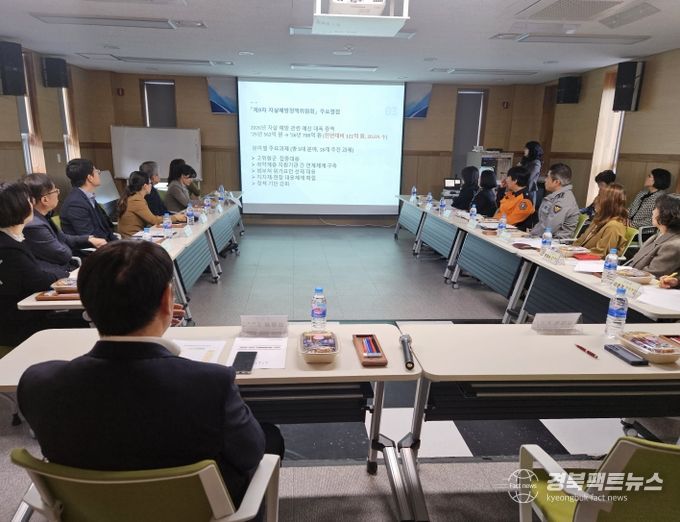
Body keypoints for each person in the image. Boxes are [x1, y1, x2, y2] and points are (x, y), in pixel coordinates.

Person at [17, 240, 284, 509]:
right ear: (168, 299)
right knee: (269, 437)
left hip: (92, 511)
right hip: (199, 511)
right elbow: (250, 453)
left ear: (86, 303)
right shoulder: (211, 384)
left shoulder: (38, 384)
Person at [0, 182, 87, 347]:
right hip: (19, 323)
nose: (32, 204)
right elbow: (38, 280)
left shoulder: (13, 239)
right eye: (28, 200)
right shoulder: (8, 248)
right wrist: (64, 275)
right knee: (87, 320)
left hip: (27, 313)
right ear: (18, 207)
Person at [22, 174, 107, 279]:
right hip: (52, 276)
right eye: (55, 191)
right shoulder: (34, 225)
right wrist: (64, 244)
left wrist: (89, 240)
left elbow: (63, 238)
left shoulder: (42, 217)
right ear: (45, 200)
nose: (58, 193)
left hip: (63, 269)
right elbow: (62, 255)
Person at [59, 158, 116, 242]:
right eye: (96, 171)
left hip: (105, 244)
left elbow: (106, 227)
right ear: (90, 178)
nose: (99, 173)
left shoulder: (87, 197)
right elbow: (90, 236)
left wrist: (118, 243)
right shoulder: (75, 203)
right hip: (90, 248)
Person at [117, 171, 186, 238]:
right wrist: (175, 218)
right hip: (132, 238)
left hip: (137, 235)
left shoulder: (134, 197)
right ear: (145, 186)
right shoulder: (136, 200)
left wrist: (173, 217)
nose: (151, 185)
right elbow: (154, 220)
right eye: (150, 183)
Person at [628, 193, 680, 278]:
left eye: (656, 208)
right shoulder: (658, 235)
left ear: (666, 213)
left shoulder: (674, 245)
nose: (653, 212)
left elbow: (653, 274)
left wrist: (626, 273)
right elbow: (635, 263)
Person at [573, 184, 629, 258]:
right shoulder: (599, 219)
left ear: (609, 203)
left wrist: (574, 255)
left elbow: (600, 253)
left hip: (591, 261)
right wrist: (569, 250)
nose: (596, 200)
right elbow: (581, 240)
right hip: (580, 257)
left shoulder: (614, 226)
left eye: (600, 197)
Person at [530, 163, 580, 239]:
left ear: (556, 182)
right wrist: (532, 233)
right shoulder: (556, 196)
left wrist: (532, 235)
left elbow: (550, 227)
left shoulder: (563, 200)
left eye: (547, 177)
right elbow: (543, 222)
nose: (545, 180)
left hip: (555, 241)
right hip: (545, 238)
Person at [519, 141, 543, 206]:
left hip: (528, 190)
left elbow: (528, 178)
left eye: (526, 148)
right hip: (521, 190)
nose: (524, 150)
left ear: (532, 150)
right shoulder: (526, 161)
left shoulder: (536, 163)